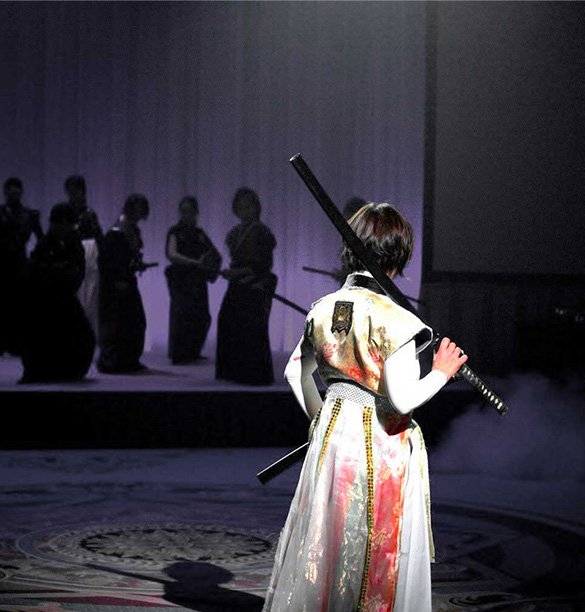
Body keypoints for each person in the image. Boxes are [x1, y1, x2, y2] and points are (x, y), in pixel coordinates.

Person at [263, 203, 467, 612]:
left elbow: (295, 373)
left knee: (325, 543)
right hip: (380, 444)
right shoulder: (398, 320)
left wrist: (325, 421)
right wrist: (441, 373)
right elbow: (401, 400)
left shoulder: (324, 308)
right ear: (399, 255)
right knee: (373, 550)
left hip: (332, 439)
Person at [19, 203, 95, 383]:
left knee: (80, 337)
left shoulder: (72, 241)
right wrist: (59, 271)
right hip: (46, 300)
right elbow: (36, 272)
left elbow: (77, 270)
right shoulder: (45, 243)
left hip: (65, 298)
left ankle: (67, 370)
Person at [216, 187, 277, 385]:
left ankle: (252, 374)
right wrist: (233, 273)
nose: (245, 211)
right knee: (227, 321)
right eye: (241, 208)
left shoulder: (262, 233)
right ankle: (233, 371)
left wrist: (239, 273)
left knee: (250, 328)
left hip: (254, 286)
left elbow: (264, 265)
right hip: (237, 285)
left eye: (249, 207)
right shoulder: (235, 233)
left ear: (256, 208)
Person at [97, 193, 150, 374]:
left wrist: (136, 265)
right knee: (116, 323)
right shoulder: (118, 231)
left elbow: (128, 257)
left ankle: (129, 360)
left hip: (126, 280)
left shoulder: (131, 230)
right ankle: (112, 361)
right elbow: (108, 261)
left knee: (134, 322)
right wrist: (116, 280)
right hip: (116, 284)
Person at [165, 196, 221, 364]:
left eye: (189, 211)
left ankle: (193, 351)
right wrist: (195, 262)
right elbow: (172, 254)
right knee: (182, 314)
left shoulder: (200, 234)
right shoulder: (175, 231)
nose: (186, 214)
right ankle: (179, 354)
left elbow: (214, 254)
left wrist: (209, 266)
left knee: (201, 316)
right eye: (183, 211)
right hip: (181, 279)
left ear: (196, 212)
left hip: (197, 279)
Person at [0, 177, 43, 354]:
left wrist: (36, 258)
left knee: (19, 303)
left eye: (17, 191)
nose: (14, 194)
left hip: (20, 262)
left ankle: (17, 343)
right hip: (2, 263)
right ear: (5, 192)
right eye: (11, 191)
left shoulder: (30, 215)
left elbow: (41, 238)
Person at [64, 175, 103, 337]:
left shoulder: (89, 214)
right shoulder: (64, 213)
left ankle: (86, 335)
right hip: (69, 259)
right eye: (70, 192)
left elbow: (98, 237)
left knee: (88, 299)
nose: (73, 195)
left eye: (77, 191)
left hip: (88, 258)